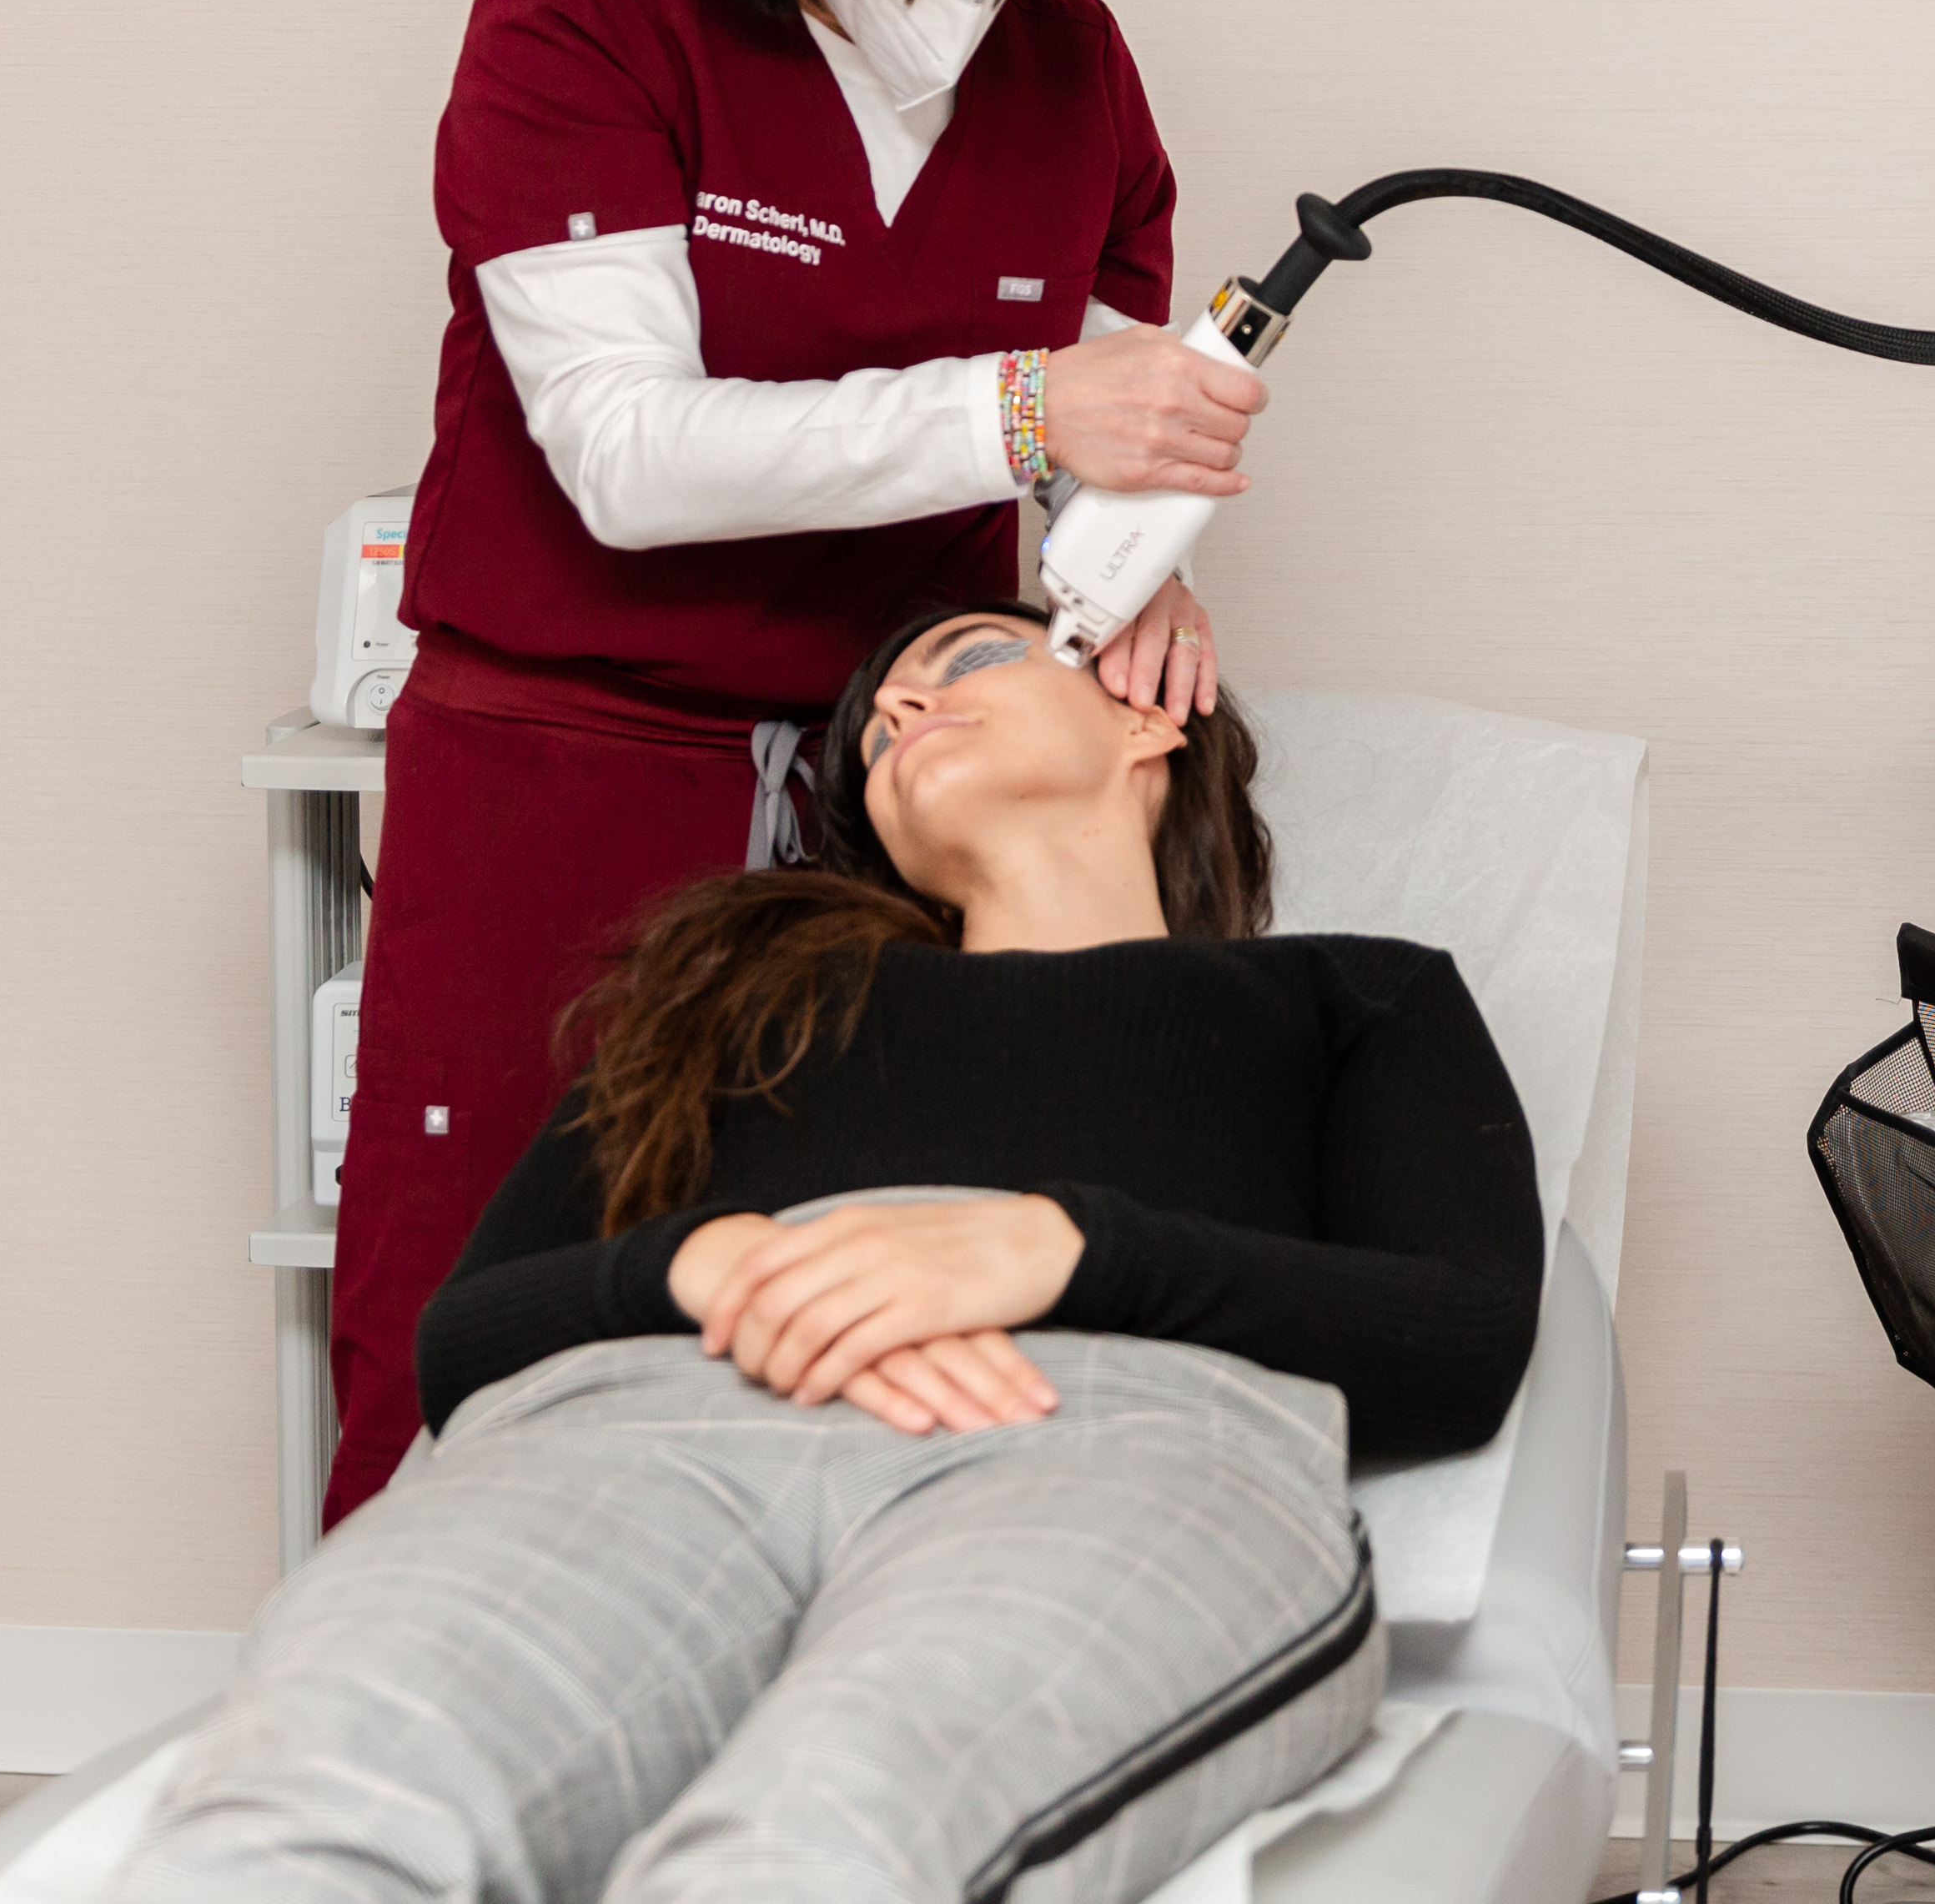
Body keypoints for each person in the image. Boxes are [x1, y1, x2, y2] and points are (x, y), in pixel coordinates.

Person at [115, 604, 1542, 1904]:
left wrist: (1064, 1250)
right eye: (877, 725)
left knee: (817, 1852)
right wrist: (694, 1265)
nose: (903, 715)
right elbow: (468, 1339)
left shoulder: (1351, 996)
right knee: (304, 1816)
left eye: (969, 663)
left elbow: (1457, 1335)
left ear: (1145, 718)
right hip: (643, 1434)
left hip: (1113, 1435)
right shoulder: (744, 1000)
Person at [331, 0, 1269, 1522]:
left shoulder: (1075, 75)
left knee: (846, 1309)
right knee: (483, 1295)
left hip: (884, 799)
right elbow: (625, 459)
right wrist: (1030, 417)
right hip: (573, 775)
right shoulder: (589, 5)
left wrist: (1130, 549)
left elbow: (1094, 419)